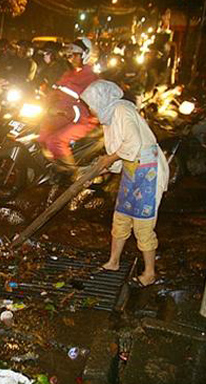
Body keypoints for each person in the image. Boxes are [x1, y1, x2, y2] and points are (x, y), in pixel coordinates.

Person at [80, 80, 169, 287]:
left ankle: (149, 273)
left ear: (101, 101)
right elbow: (118, 153)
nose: (90, 109)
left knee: (143, 226)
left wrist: (109, 160)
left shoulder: (121, 110)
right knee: (120, 219)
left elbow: (133, 143)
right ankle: (113, 262)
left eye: (91, 104)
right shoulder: (108, 119)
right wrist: (102, 169)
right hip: (131, 173)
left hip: (148, 172)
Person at [39, 37, 98, 172]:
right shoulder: (69, 73)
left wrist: (65, 111)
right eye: (69, 55)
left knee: (55, 141)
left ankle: (73, 175)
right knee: (42, 133)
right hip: (64, 114)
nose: (70, 58)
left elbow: (86, 105)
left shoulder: (90, 77)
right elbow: (56, 90)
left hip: (82, 119)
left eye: (74, 55)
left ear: (85, 55)